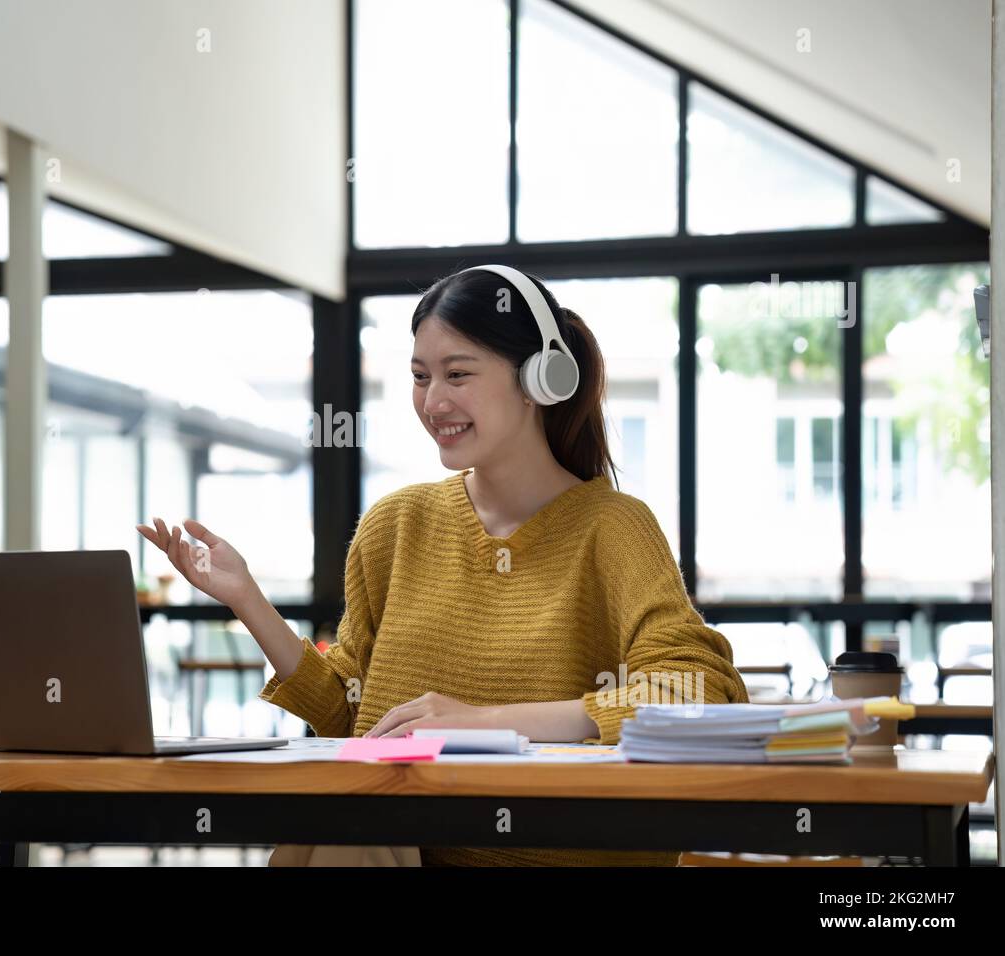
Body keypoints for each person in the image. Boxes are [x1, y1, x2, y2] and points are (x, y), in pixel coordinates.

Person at [139, 264, 749, 866]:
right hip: (394, 839)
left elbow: (699, 696)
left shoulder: (613, 529)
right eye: (419, 376)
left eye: (458, 374)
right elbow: (352, 711)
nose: (433, 402)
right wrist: (247, 597)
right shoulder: (396, 524)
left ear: (541, 378)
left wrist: (481, 725)